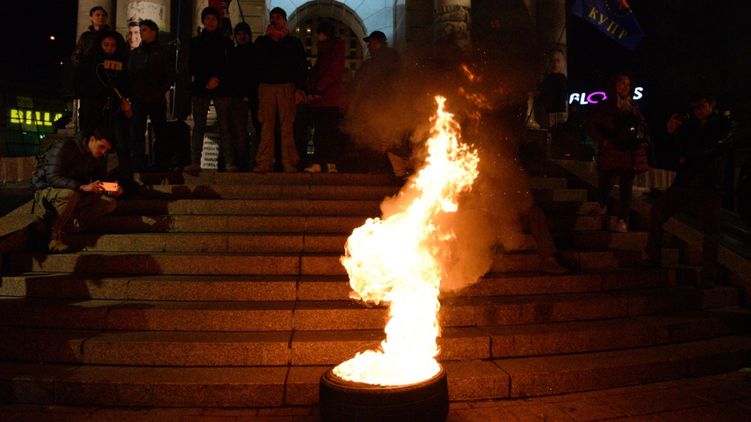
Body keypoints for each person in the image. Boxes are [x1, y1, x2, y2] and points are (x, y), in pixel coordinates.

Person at [645, 94, 732, 287]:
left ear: (711, 104)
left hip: (709, 184)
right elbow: (675, 152)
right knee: (657, 212)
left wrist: (689, 155)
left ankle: (709, 274)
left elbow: (712, 149)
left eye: (702, 106)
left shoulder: (722, 123)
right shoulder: (690, 125)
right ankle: (653, 256)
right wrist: (672, 132)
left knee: (711, 230)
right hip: (686, 180)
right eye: (695, 108)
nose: (698, 111)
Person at [31, 127, 123, 253]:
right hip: (46, 190)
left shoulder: (98, 157)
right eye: (101, 147)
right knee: (70, 194)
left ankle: (71, 225)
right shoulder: (65, 146)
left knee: (109, 203)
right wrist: (82, 186)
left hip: (76, 193)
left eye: (107, 150)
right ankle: (52, 238)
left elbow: (99, 181)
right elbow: (52, 177)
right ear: (91, 140)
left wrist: (109, 189)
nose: (103, 152)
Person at [586, 72, 649, 233]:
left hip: (629, 153)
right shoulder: (605, 106)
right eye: (622, 83)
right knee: (606, 180)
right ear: (614, 85)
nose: (625, 87)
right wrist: (604, 141)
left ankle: (622, 219)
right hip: (612, 151)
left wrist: (643, 140)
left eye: (628, 84)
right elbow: (592, 126)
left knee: (626, 188)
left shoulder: (633, 107)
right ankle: (601, 205)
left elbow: (642, 127)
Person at [253, 7, 307, 173]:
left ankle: (289, 161)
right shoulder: (262, 42)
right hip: (267, 87)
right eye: (272, 17)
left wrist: (299, 88)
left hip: (286, 86)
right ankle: (264, 161)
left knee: (287, 126)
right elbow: (256, 65)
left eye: (277, 17)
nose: (274, 20)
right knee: (267, 126)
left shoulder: (293, 43)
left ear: (284, 20)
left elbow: (300, 66)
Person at [345, 30, 402, 172]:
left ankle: (376, 167)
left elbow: (360, 85)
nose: (368, 47)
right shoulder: (395, 59)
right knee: (386, 139)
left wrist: (354, 105)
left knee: (373, 139)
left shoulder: (371, 64)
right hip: (389, 106)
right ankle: (386, 168)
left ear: (376, 43)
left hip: (373, 108)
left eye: (370, 43)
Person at [75, 30, 132, 171]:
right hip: (93, 109)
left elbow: (127, 85)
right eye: (106, 45)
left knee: (121, 142)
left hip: (114, 110)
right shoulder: (89, 62)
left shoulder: (123, 63)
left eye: (113, 45)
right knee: (91, 141)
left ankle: (125, 175)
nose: (109, 48)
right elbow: (79, 84)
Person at [186, 7, 234, 173]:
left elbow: (228, 66)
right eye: (208, 19)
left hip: (222, 88)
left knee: (225, 127)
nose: (211, 22)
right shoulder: (196, 42)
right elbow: (192, 65)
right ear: (203, 21)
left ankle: (228, 161)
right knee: (198, 126)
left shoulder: (226, 42)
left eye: (214, 19)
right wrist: (205, 81)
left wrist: (217, 79)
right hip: (201, 88)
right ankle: (194, 161)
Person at [128, 19, 175, 171]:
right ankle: (138, 162)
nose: (142, 33)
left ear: (154, 32)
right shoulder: (136, 53)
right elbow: (130, 74)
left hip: (156, 97)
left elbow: (170, 74)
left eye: (145, 30)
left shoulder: (164, 51)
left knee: (160, 131)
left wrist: (161, 89)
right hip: (139, 98)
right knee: (137, 131)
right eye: (140, 30)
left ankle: (161, 161)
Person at [304, 21, 346, 174]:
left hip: (327, 99)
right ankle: (321, 162)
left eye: (319, 33)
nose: (317, 37)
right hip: (322, 99)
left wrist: (316, 90)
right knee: (321, 133)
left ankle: (328, 162)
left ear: (325, 34)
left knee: (327, 133)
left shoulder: (333, 50)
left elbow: (332, 73)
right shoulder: (326, 51)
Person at [227, 22, 258, 171]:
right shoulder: (233, 53)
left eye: (244, 33)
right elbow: (232, 77)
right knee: (239, 133)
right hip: (239, 98)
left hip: (253, 98)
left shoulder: (255, 52)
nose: (241, 36)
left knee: (256, 131)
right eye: (238, 34)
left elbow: (256, 75)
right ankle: (242, 163)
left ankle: (255, 162)